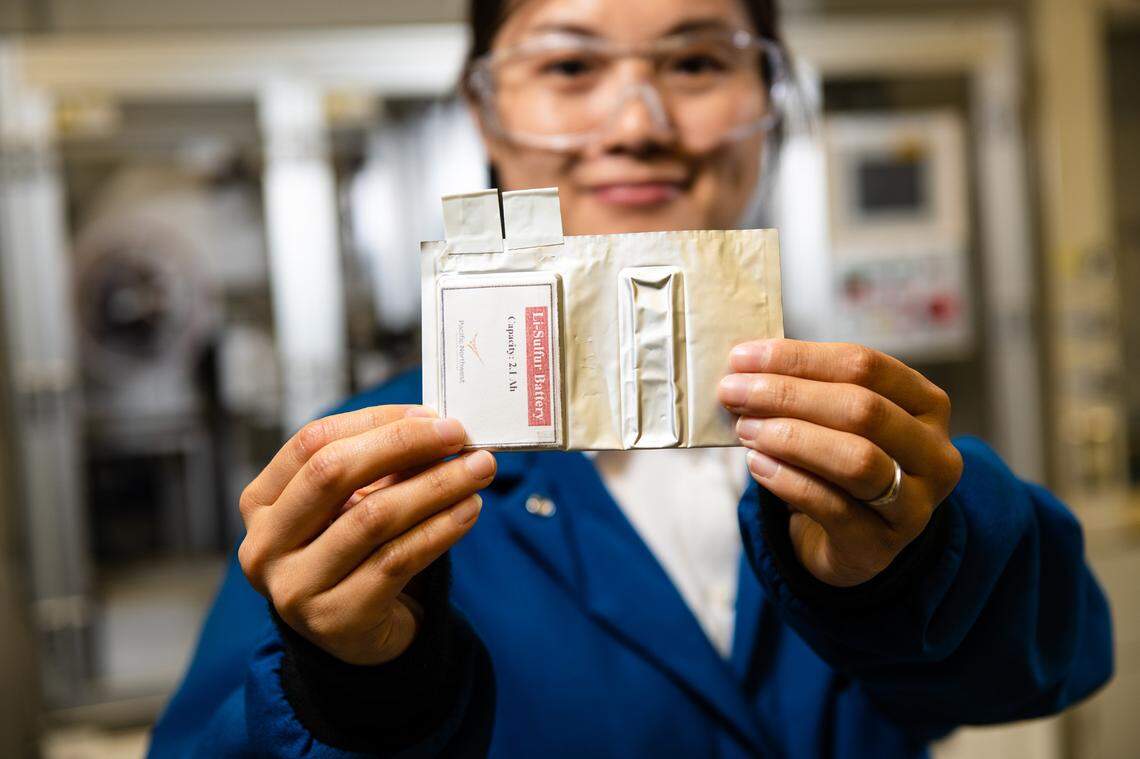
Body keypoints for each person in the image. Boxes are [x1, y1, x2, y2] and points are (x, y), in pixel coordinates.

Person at [149, 0, 1113, 756]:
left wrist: (914, 561)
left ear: (770, 100)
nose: (637, 122)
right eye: (570, 65)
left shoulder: (863, 421)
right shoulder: (362, 467)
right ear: (486, 108)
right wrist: (354, 692)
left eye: (697, 62)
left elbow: (1057, 658)